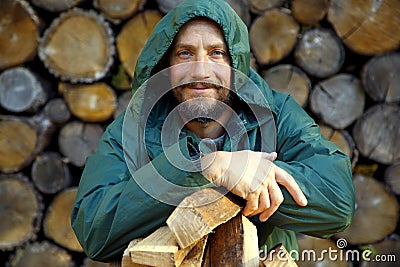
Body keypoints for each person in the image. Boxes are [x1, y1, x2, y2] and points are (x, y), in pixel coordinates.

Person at [71, 0, 355, 263]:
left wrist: (253, 178)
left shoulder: (275, 113)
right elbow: (93, 229)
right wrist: (203, 167)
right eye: (185, 53)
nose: (200, 70)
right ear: (165, 66)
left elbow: (338, 203)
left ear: (236, 65)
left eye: (217, 53)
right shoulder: (134, 128)